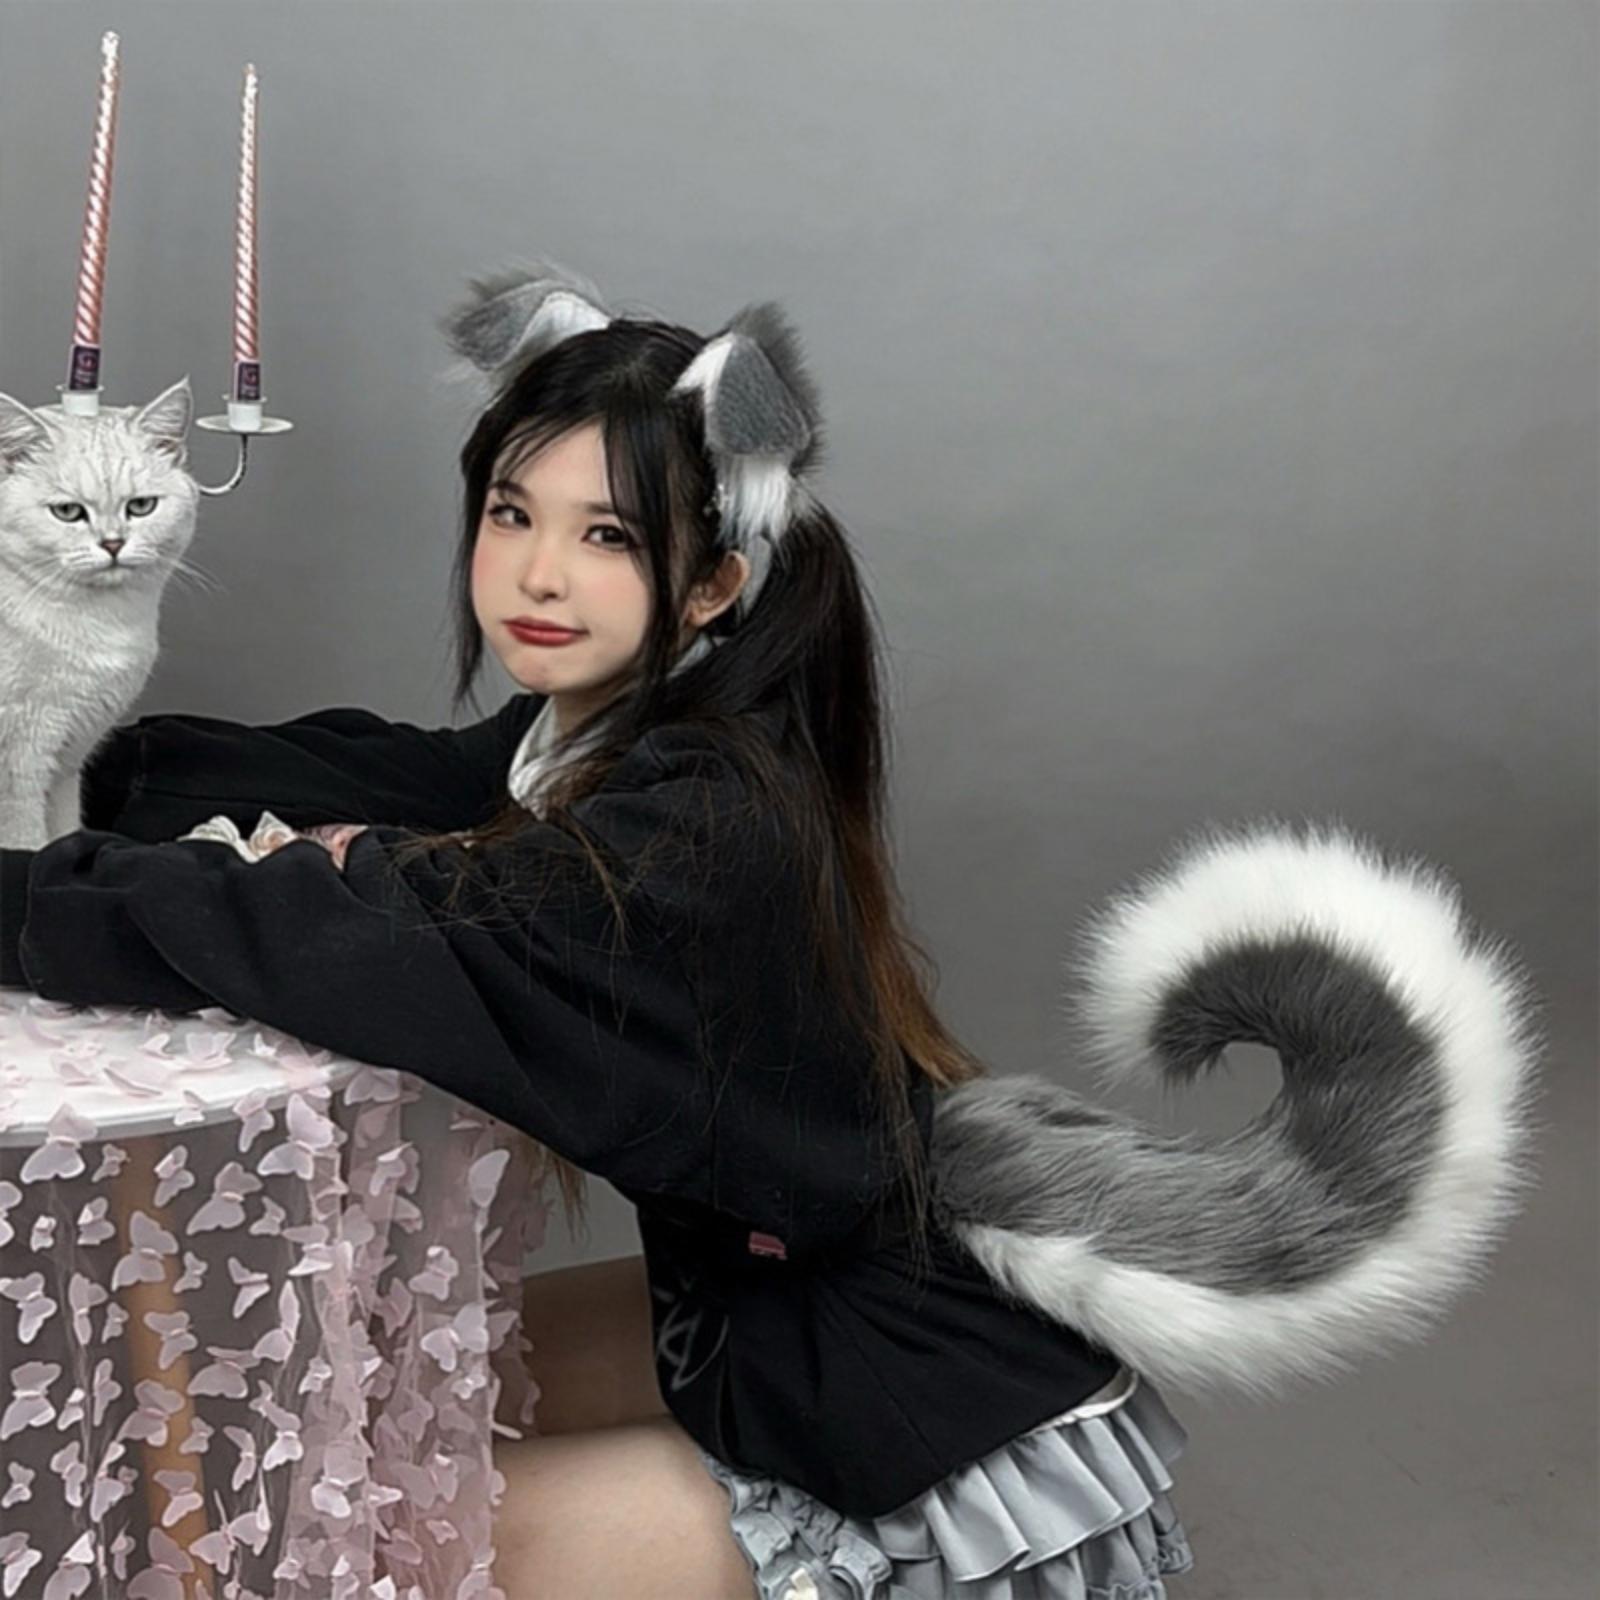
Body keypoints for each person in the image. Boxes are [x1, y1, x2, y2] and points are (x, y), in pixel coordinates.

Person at [0, 262, 1197, 1598]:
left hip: (922, 1431)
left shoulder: (697, 820)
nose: (539, 573)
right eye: (512, 513)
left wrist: (24, 895)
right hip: (763, 1320)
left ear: (711, 585)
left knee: (325, 1523)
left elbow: (351, 927)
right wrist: (82, 761)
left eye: (610, 537)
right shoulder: (599, 736)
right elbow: (384, 777)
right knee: (348, 1402)